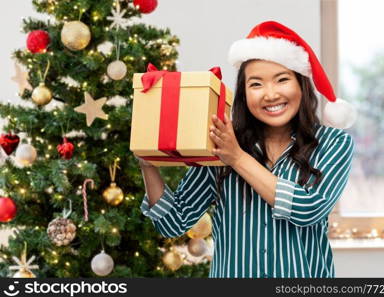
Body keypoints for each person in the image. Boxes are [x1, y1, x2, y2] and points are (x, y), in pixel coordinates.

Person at [138, 21, 356, 278]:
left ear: (301, 85)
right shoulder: (221, 145)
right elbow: (172, 223)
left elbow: (308, 209)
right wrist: (148, 162)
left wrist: (237, 158)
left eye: (282, 80)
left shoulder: (333, 143)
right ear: (243, 94)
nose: (270, 94)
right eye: (256, 84)